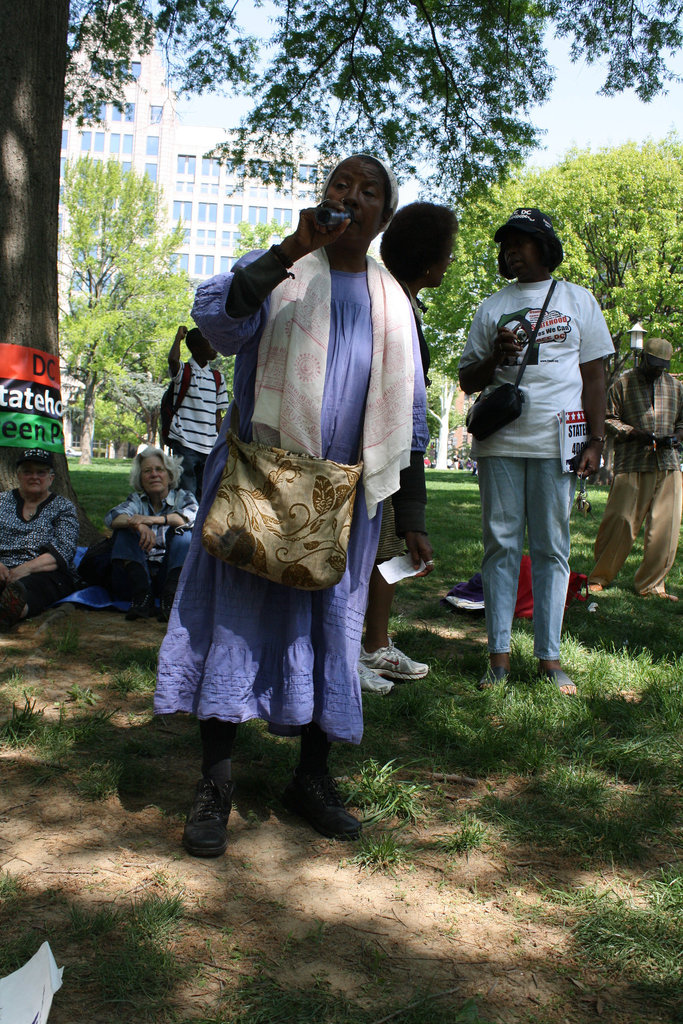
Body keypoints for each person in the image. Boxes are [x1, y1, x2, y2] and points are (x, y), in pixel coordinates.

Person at [154, 154, 433, 857]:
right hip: (260, 488)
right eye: (341, 184)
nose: (351, 197)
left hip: (345, 504)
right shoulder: (276, 269)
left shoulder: (395, 303)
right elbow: (219, 325)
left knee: (330, 632)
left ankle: (310, 779)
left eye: (369, 191)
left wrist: (414, 516)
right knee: (234, 625)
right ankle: (216, 784)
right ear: (322, 198)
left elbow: (414, 419)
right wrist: (290, 249)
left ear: (383, 215)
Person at [458, 208, 614, 695]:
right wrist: (495, 358)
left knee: (552, 549)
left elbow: (595, 377)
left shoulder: (579, 300)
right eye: (506, 244)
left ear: (544, 247)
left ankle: (550, 658)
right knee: (500, 546)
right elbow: (468, 379)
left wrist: (595, 439)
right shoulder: (491, 306)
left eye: (521, 242)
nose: (511, 251)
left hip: (557, 443)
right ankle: (499, 657)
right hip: (500, 442)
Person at [357, 201, 458, 695]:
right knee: (363, 553)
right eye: (448, 252)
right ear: (428, 260)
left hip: (390, 457)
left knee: (387, 548)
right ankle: (346, 651)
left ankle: (373, 644)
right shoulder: (387, 303)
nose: (452, 261)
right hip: (373, 455)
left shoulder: (398, 299)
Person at [588, 337, 683, 600]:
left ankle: (652, 585)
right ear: (643, 358)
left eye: (662, 366)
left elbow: (682, 423)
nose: (657, 370)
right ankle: (599, 576)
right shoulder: (624, 384)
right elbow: (608, 417)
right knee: (620, 521)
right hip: (632, 461)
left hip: (668, 464)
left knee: (666, 528)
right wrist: (634, 433)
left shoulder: (677, 388)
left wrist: (677, 437)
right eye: (653, 364)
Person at [104, 447, 198, 622]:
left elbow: (192, 517)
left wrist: (151, 520)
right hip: (136, 576)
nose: (154, 474)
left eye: (159, 470)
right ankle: (142, 598)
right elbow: (112, 517)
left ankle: (170, 600)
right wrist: (137, 525)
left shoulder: (184, 497)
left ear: (170, 476)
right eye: (147, 471)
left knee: (185, 534)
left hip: (169, 575)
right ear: (140, 479)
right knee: (124, 531)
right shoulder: (136, 500)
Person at [0, 448, 79, 628]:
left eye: (41, 472)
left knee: (31, 586)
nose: (34, 477)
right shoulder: (1, 501)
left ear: (51, 478)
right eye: (27, 471)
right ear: (18, 475)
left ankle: (15, 611)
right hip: (3, 567)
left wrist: (25, 569)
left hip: (43, 570)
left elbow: (63, 551)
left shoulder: (63, 507)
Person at [166, 325, 229, 498]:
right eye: (210, 344)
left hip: (209, 446)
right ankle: (186, 524)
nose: (215, 347)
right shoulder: (184, 372)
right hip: (185, 442)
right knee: (186, 492)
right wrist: (178, 338)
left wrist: (224, 443)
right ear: (196, 348)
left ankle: (199, 525)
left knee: (206, 493)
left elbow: (218, 417)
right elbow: (172, 361)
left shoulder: (217, 378)